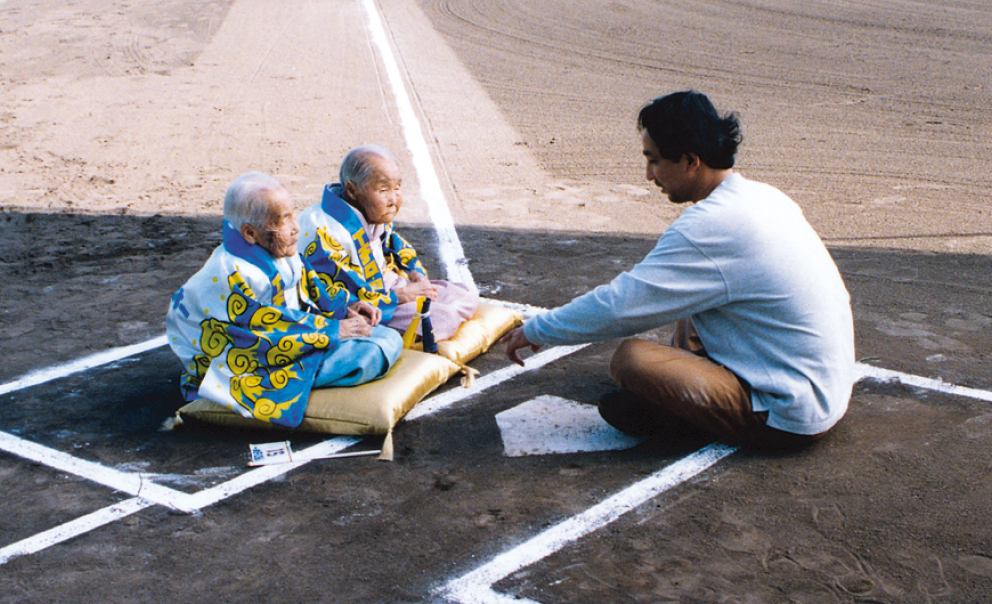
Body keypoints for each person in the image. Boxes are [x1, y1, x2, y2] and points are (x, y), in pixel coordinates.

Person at [503, 91, 855, 449]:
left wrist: (539, 329)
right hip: (828, 384)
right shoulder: (765, 196)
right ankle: (690, 399)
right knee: (689, 299)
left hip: (790, 413)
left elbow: (622, 306)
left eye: (654, 161)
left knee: (631, 360)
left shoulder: (710, 225)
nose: (648, 175)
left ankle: (688, 419)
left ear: (690, 161)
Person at [166, 172, 403, 428]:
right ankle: (300, 382)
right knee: (372, 352)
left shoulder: (274, 246)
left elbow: (311, 286)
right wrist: (333, 331)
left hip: (289, 339)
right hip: (236, 362)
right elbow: (262, 334)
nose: (296, 227)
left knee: (384, 336)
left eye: (293, 214)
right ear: (250, 233)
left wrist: (346, 307)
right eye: (283, 220)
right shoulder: (231, 273)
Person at [297, 145, 479, 341]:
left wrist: (415, 274)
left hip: (389, 285)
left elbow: (396, 246)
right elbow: (342, 298)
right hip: (370, 306)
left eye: (397, 188)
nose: (393, 199)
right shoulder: (323, 231)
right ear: (352, 190)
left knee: (466, 293)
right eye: (383, 190)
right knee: (443, 318)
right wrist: (401, 296)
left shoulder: (370, 210)